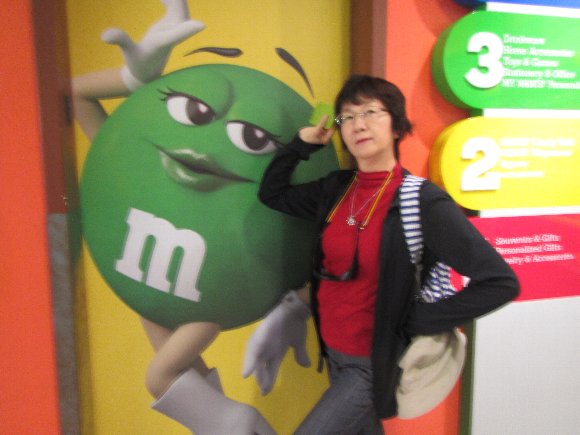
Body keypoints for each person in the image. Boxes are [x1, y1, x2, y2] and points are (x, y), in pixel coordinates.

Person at [246, 75, 520, 434]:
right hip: (334, 352)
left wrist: (419, 319)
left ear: (397, 126)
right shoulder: (336, 189)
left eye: (370, 112)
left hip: (373, 363)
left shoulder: (422, 202)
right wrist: (302, 144)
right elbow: (273, 193)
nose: (358, 124)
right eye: (347, 117)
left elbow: (501, 282)